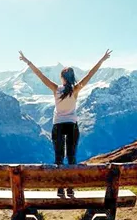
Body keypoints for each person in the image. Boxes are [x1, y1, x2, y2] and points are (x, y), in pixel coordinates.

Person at [19, 49, 112, 197]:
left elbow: (40, 76)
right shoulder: (76, 89)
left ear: (62, 78)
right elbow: (90, 75)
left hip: (58, 126)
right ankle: (70, 187)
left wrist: (28, 62)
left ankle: (60, 188)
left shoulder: (56, 89)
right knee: (72, 157)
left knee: (59, 157)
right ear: (72, 77)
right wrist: (101, 60)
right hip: (72, 125)